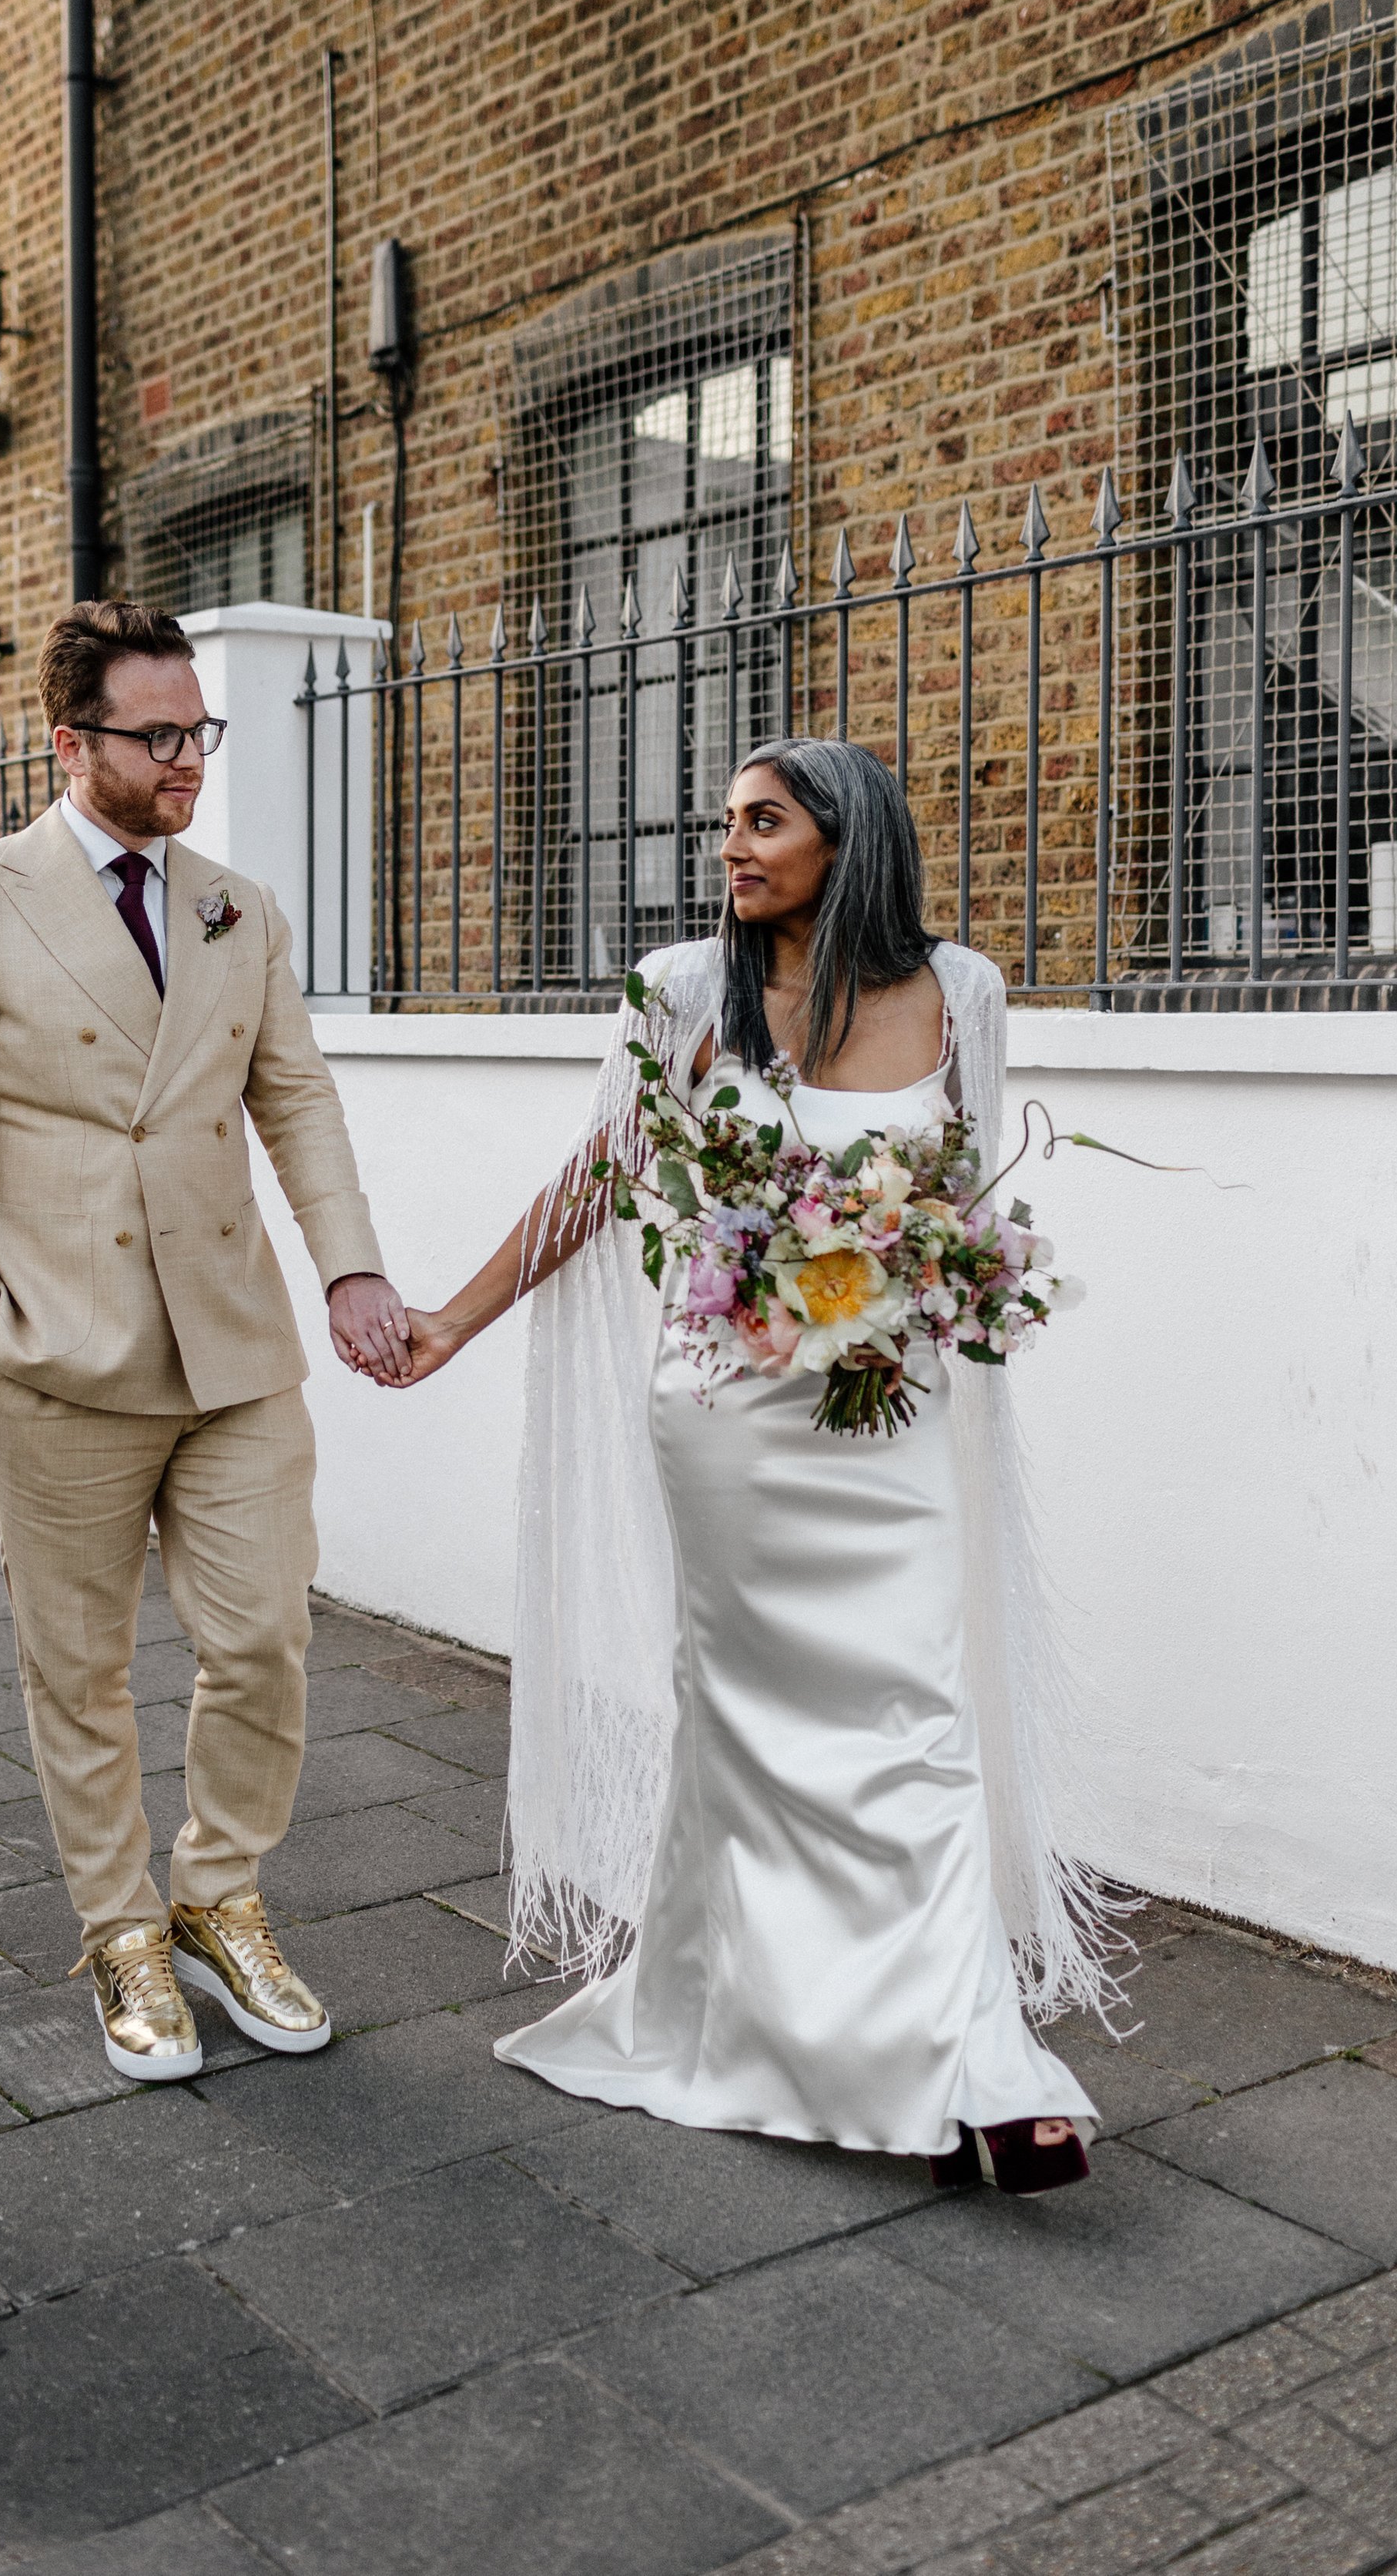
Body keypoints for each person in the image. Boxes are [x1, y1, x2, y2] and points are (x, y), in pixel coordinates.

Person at [390, 737, 1117, 2193]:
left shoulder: (961, 993)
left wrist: (949, 1278)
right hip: (726, 1415)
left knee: (915, 1708)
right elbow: (600, 1174)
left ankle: (978, 2056)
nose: (729, 846)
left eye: (763, 822)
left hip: (888, 1405)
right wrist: (447, 1325)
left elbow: (968, 1198)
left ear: (850, 842)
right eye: (725, 823)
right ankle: (747, 2012)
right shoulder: (681, 993)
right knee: (749, 1724)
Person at [0, 600, 411, 2084]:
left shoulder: (240, 905)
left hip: (235, 1345)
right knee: (83, 1668)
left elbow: (293, 1100)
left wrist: (351, 1265)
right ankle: (120, 1926)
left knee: (262, 1636)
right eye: (158, 735)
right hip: (63, 1351)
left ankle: (217, 1893)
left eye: (199, 732)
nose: (189, 759)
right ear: (72, 743)